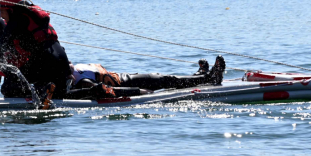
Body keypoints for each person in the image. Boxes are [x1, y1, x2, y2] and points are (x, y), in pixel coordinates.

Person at [0, 0, 72, 98]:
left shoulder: (16, 21)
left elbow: (1, 45)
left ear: (11, 10)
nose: (0, 16)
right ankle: (94, 90)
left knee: (8, 87)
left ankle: (41, 90)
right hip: (62, 60)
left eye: (2, 11)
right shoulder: (34, 19)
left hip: (46, 61)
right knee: (61, 96)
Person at [65, 57, 227, 99]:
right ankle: (210, 78)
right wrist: (139, 92)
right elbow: (110, 90)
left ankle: (198, 77)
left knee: (167, 79)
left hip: (125, 76)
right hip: (130, 82)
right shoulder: (81, 81)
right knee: (165, 79)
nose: (69, 62)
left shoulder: (76, 69)